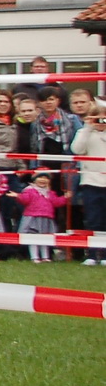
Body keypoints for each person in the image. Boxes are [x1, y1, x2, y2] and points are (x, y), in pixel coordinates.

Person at [72, 102, 106, 265]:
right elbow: (77, 149)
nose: (100, 122)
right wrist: (87, 127)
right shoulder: (83, 132)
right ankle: (92, 254)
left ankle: (105, 255)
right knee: (93, 219)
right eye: (97, 119)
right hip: (91, 183)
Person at [17, 172, 67, 263]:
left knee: (45, 238)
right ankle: (34, 257)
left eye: (46, 178)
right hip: (33, 217)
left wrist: (65, 198)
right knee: (33, 238)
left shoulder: (50, 193)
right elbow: (25, 200)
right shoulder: (29, 190)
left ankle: (45, 257)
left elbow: (56, 202)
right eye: (40, 177)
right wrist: (18, 196)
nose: (43, 180)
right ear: (34, 179)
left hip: (46, 218)